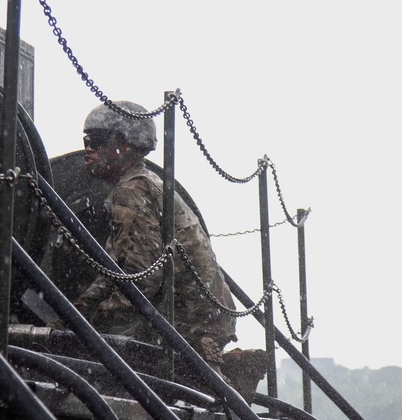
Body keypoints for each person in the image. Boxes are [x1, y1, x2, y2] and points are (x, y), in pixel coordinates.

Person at [70, 100, 267, 400]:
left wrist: (90, 323)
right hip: (209, 313)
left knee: (93, 360)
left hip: (187, 319)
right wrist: (81, 307)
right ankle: (219, 367)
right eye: (86, 141)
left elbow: (141, 279)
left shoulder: (132, 191)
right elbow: (117, 269)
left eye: (96, 141)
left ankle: (212, 369)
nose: (88, 149)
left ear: (123, 146)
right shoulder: (146, 185)